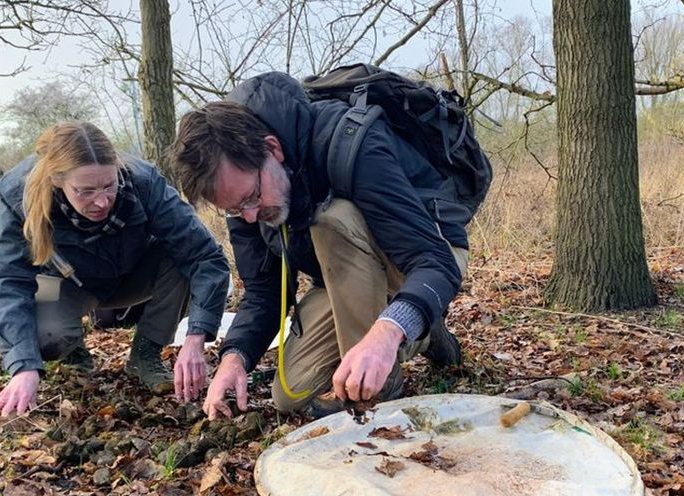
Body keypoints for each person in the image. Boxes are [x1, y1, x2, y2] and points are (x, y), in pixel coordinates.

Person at [168, 72, 469, 420]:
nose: (249, 216)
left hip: (430, 254)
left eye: (251, 197)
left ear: (272, 149)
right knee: (289, 394)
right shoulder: (244, 199)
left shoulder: (351, 143)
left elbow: (433, 261)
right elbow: (265, 290)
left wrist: (385, 336)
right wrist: (235, 358)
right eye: (234, 209)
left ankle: (382, 379)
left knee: (330, 220)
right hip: (347, 281)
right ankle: (424, 332)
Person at [0, 122, 230, 420]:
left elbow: (204, 256)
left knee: (180, 257)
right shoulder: (18, 197)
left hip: (131, 275)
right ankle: (71, 350)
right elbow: (7, 282)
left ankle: (146, 354)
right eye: (85, 191)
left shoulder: (142, 181)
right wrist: (23, 366)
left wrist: (195, 337)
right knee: (48, 335)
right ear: (58, 180)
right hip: (62, 283)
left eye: (109, 186)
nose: (101, 201)